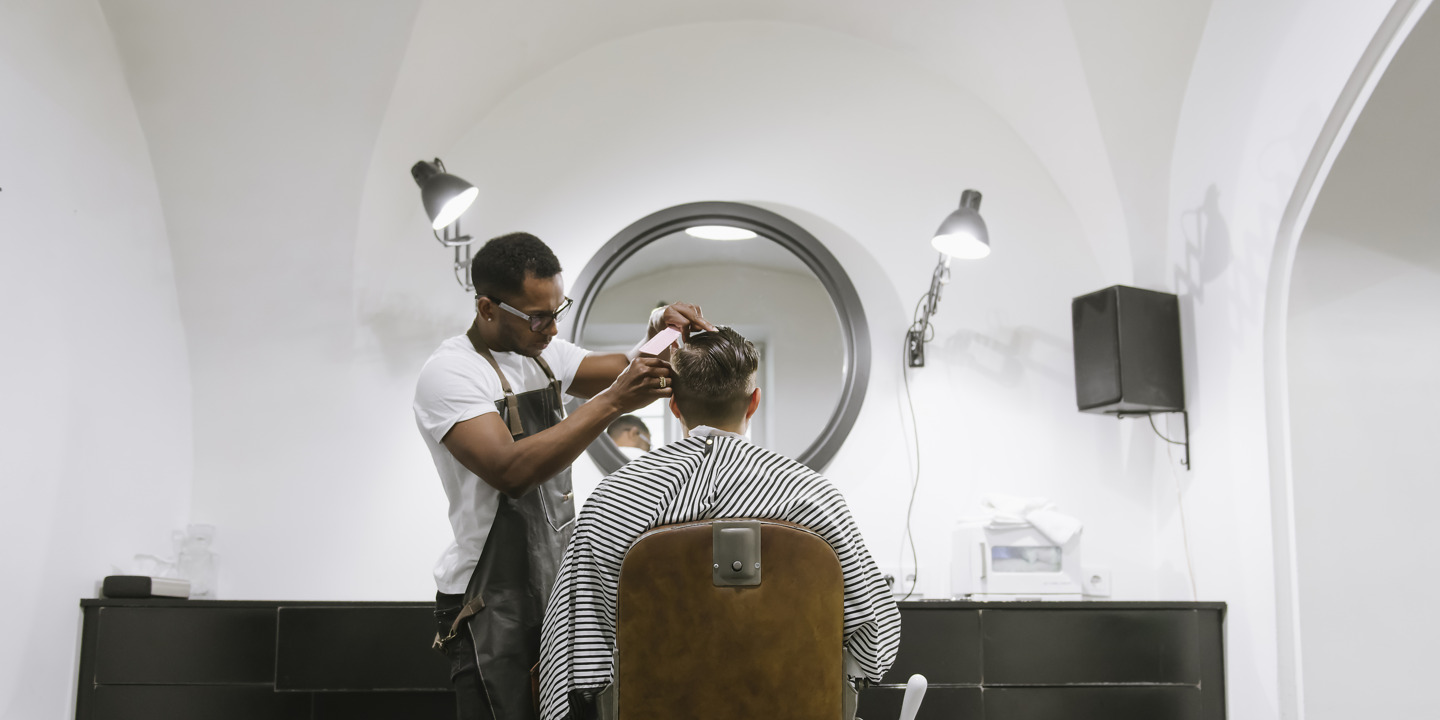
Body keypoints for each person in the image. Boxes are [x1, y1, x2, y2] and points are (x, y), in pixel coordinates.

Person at [413, 232, 715, 720]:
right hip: (487, 601)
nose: (552, 328)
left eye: (558, 310)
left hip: (553, 586)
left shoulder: (540, 353)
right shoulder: (451, 375)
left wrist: (664, 330)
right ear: (488, 308)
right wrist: (614, 402)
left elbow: (625, 368)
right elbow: (511, 471)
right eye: (538, 316)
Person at [537, 326, 902, 720]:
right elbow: (874, 649)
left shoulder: (614, 502)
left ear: (673, 404)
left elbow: (575, 663)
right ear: (754, 402)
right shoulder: (814, 498)